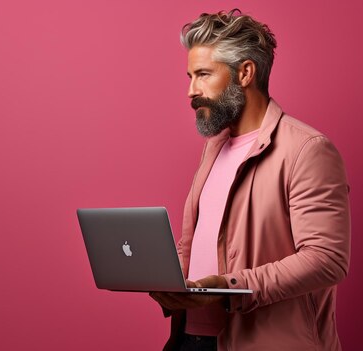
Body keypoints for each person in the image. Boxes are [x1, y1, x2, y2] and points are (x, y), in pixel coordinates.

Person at [149, 9, 351, 351]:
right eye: (189, 75)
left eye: (202, 74)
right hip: (191, 338)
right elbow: (206, 240)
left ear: (244, 73)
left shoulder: (307, 149)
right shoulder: (214, 149)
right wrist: (170, 282)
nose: (190, 90)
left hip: (264, 341)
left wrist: (231, 288)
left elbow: (326, 258)